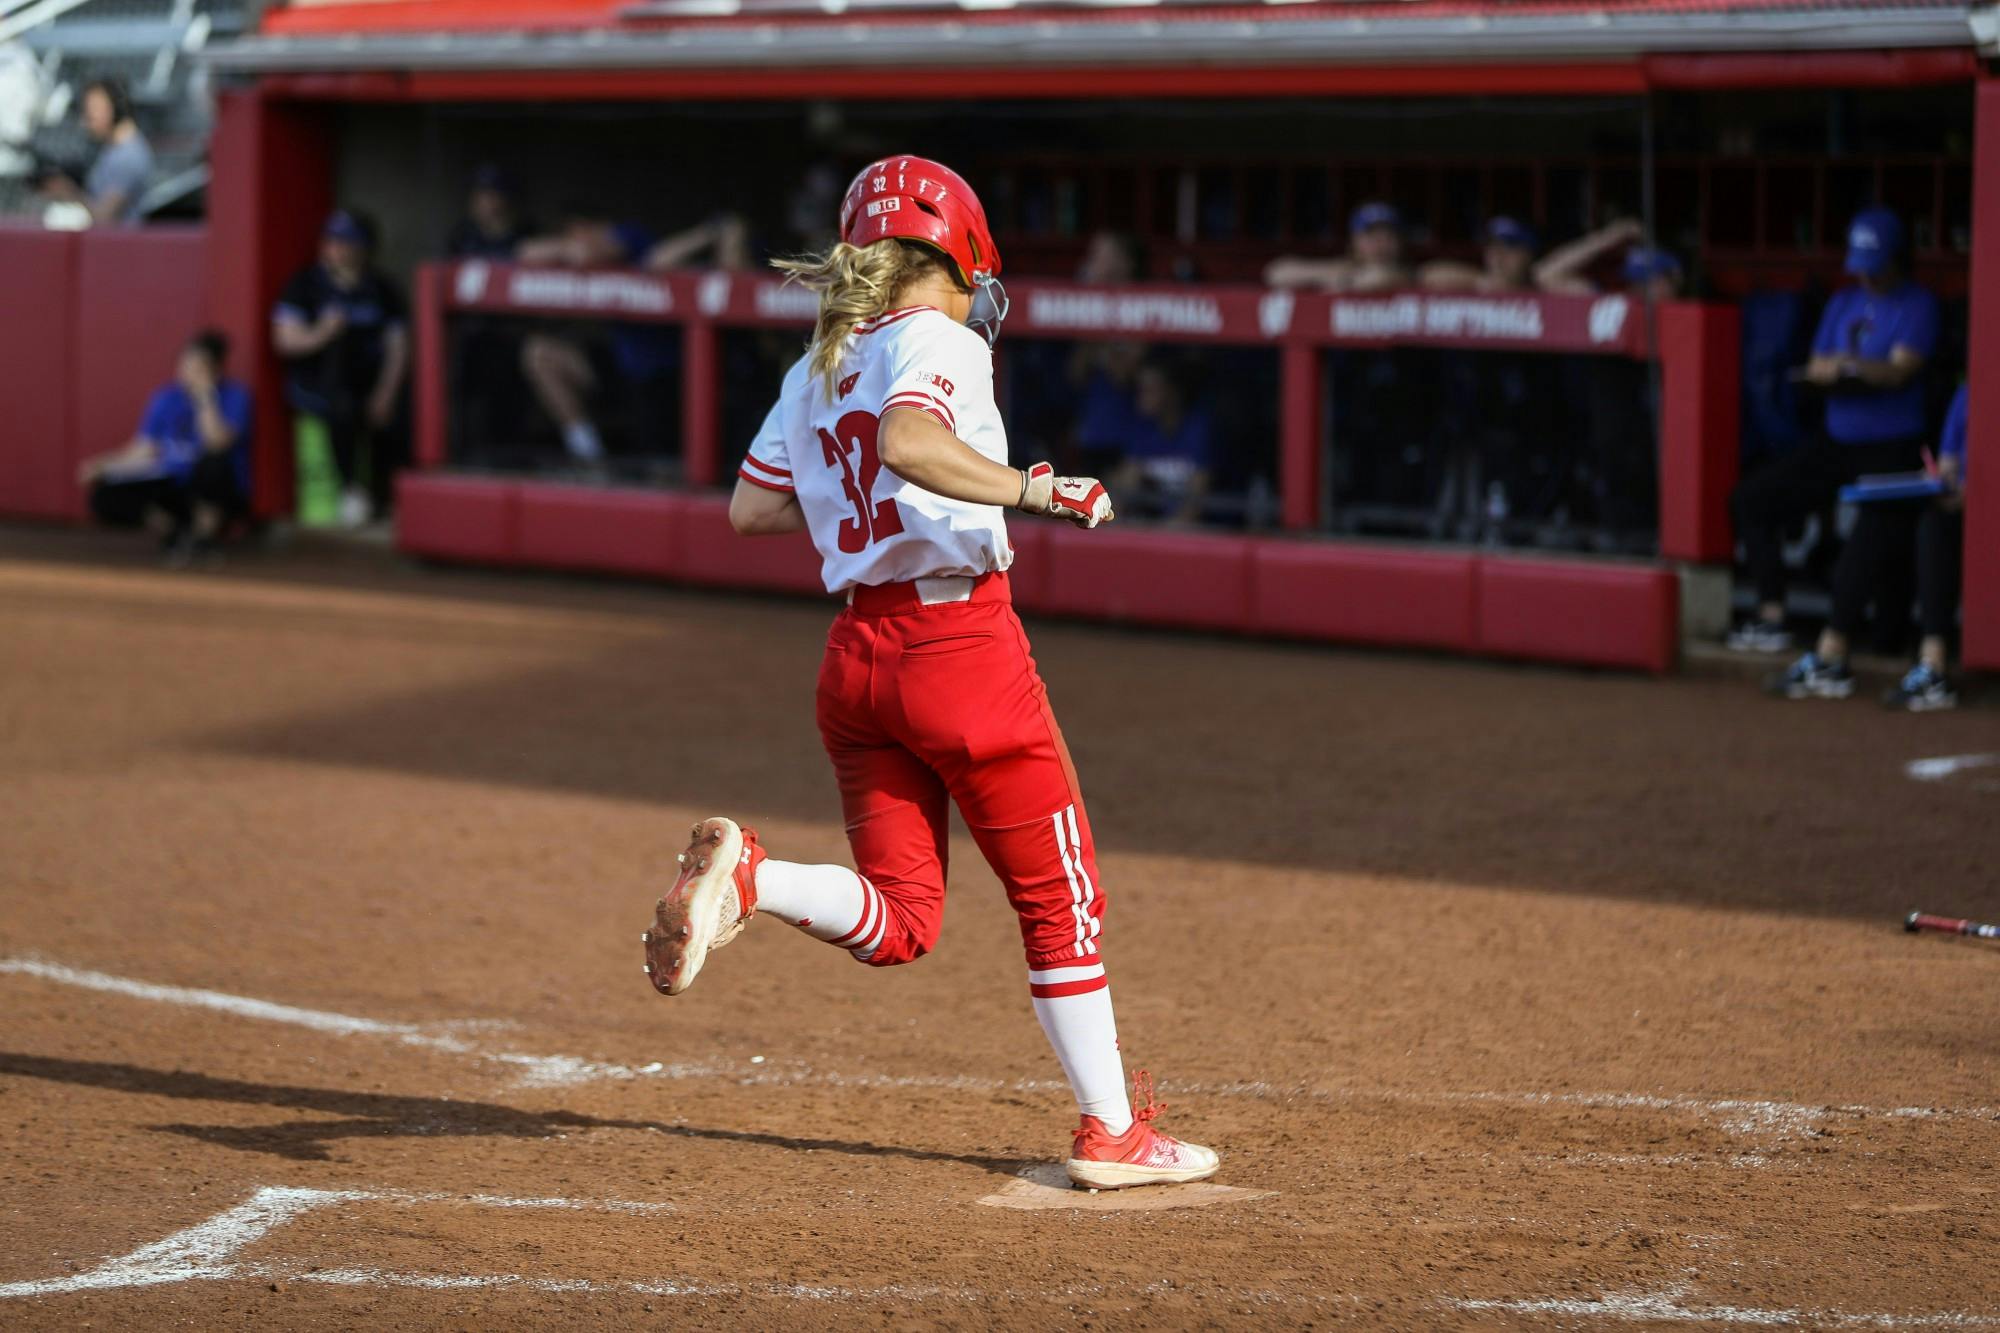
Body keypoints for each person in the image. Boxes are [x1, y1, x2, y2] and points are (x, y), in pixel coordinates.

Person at [642, 155, 1220, 1192]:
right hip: (960, 648)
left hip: (855, 657)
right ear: (950, 253)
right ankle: (1111, 1132)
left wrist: (859, 493)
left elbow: (752, 509)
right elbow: (908, 439)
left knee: (902, 920)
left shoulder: (815, 361)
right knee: (1059, 896)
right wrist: (1032, 492)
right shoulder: (936, 337)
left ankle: (756, 880)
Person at [1728, 207, 1939, 654]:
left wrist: (1849, 366)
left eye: (1876, 267)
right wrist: (1843, 369)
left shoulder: (1918, 304)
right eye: (1861, 268)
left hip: (1892, 445)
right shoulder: (1844, 301)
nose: (1867, 277)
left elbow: (1899, 371)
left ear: (1898, 258)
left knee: (1874, 546)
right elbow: (1819, 362)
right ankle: (1771, 616)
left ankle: (1860, 645)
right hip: (1837, 438)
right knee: (1752, 500)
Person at [1771, 381, 1967, 709]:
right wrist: (1941, 482)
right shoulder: (1968, 392)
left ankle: (1935, 665)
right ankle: (1831, 653)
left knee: (1936, 527)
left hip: (1983, 513)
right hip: (1954, 502)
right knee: (1881, 515)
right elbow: (1949, 463)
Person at [517, 206, 750, 466]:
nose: (575, 240)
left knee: (663, 455)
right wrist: (566, 248)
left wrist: (712, 231)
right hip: (622, 366)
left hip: (670, 370)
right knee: (540, 353)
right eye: (569, 234)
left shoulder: (631, 236)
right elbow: (525, 252)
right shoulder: (585, 249)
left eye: (580, 231)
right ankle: (587, 452)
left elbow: (648, 259)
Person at [272, 210, 410, 527]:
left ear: (365, 248)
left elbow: (399, 347)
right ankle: (351, 490)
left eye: (347, 243)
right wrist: (322, 332)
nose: (338, 249)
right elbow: (284, 340)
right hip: (317, 386)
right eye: (332, 241)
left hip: (371, 383)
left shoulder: (382, 288)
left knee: (400, 411)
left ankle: (388, 497)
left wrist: (386, 394)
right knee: (342, 407)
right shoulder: (305, 284)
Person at [76, 329, 252, 563]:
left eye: (196, 368)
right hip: (171, 485)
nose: (187, 373)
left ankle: (203, 538)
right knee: (104, 495)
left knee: (214, 464)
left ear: (215, 370)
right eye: (184, 366)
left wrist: (205, 397)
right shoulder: (166, 397)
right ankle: (175, 532)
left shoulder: (234, 396)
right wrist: (103, 464)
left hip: (214, 493)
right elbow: (144, 448)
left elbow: (217, 442)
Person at [37, 77, 153, 226]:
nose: (85, 123)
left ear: (110, 109)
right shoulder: (114, 150)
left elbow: (105, 218)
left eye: (90, 113)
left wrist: (69, 193)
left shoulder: (129, 156)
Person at [1112, 360, 1213, 524]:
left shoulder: (1198, 428)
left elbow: (1193, 507)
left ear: (1173, 393)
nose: (1141, 397)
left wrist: (1160, 536)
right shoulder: (1142, 427)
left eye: (1150, 390)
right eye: (1140, 390)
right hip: (1153, 527)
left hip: (1195, 532)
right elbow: (1124, 490)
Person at [1265, 202, 1411, 292]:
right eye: (1371, 236)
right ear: (1354, 241)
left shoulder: (1412, 272)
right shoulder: (1342, 267)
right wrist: (1347, 281)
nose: (1381, 244)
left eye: (1389, 236)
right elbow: (1276, 273)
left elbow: (1381, 276)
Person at [1421, 216, 1539, 293]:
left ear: (1528, 253)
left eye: (1509, 245)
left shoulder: (1540, 285)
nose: (1498, 253)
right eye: (1492, 244)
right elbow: (1428, 274)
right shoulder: (1478, 282)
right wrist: (1482, 281)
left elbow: (1549, 276)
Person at [445, 164, 530, 259]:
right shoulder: (462, 235)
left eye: (490, 196)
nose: (481, 203)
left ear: (505, 199)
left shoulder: (526, 232)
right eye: (477, 196)